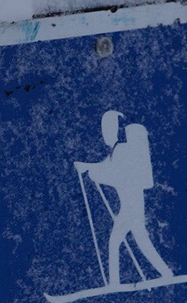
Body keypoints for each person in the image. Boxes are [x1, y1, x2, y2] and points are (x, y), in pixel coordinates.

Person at [74, 110, 175, 284]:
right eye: (104, 130)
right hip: (129, 205)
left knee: (120, 242)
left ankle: (117, 283)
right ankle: (164, 274)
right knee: (134, 240)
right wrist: (86, 166)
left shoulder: (122, 151)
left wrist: (96, 175)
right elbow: (103, 166)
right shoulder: (115, 152)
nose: (105, 134)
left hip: (132, 205)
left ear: (116, 130)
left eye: (108, 129)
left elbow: (117, 176)